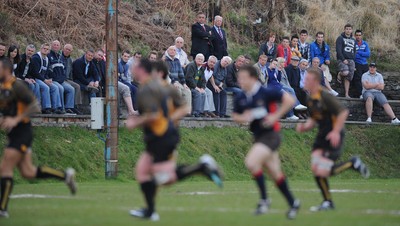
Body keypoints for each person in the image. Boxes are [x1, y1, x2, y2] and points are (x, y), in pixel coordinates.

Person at [127, 59, 222, 221]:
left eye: (134, 67)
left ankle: (201, 167)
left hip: (162, 135)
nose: (131, 70)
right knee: (143, 171)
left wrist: (137, 122)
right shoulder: (154, 87)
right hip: (159, 135)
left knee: (164, 178)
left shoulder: (152, 88)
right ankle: (150, 211)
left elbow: (160, 113)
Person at [0, 58, 77, 218]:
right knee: (28, 172)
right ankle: (65, 176)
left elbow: (35, 106)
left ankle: (3, 209)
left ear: (6, 69)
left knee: (5, 167)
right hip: (14, 134)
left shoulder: (17, 85)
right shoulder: (3, 88)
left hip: (23, 132)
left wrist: (15, 119)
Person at [296, 67, 370, 212]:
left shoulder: (325, 96)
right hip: (322, 135)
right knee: (317, 169)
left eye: (307, 79)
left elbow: (343, 112)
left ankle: (351, 164)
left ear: (316, 81)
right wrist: (304, 127)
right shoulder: (310, 98)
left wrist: (336, 131)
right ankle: (328, 202)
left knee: (321, 170)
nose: (304, 81)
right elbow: (314, 119)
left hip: (334, 135)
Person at [232, 65, 300, 219]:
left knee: (251, 162)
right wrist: (245, 117)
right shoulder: (241, 97)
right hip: (257, 137)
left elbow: (290, 100)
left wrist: (275, 116)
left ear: (253, 78)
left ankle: (264, 200)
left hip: (271, 136)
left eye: (243, 78)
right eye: (239, 78)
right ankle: (293, 202)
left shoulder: (266, 92)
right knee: (275, 174)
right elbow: (236, 116)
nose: (240, 81)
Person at [94, 50, 137, 115]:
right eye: (125, 56)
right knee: (127, 88)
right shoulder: (117, 63)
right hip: (111, 81)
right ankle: (131, 110)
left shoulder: (126, 65)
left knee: (135, 89)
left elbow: (126, 76)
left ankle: (134, 109)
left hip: (118, 80)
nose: (100, 57)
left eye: (101, 56)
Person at [28, 43, 63, 114]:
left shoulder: (47, 59)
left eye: (47, 49)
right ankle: (46, 107)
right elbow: (35, 72)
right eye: (44, 48)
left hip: (43, 78)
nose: (45, 50)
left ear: (49, 51)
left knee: (55, 87)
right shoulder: (36, 57)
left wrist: (48, 79)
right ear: (41, 49)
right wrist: (44, 80)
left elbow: (46, 72)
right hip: (35, 78)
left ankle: (56, 107)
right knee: (45, 87)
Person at [48, 40, 76, 115]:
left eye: (57, 45)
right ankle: (61, 108)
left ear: (60, 47)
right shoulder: (48, 55)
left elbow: (63, 70)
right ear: (51, 45)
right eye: (54, 44)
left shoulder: (59, 57)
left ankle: (68, 108)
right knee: (60, 88)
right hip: (53, 80)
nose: (56, 46)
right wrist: (54, 78)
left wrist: (62, 78)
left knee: (71, 89)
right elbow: (49, 70)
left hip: (61, 80)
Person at [165, 46, 192, 114]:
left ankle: (186, 112)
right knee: (178, 90)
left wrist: (184, 83)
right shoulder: (165, 60)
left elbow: (181, 73)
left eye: (174, 50)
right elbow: (168, 73)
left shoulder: (177, 61)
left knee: (187, 91)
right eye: (171, 50)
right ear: (168, 51)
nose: (172, 51)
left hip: (178, 82)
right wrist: (174, 82)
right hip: (169, 82)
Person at [336, 24, 357, 98]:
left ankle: (346, 94)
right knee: (345, 72)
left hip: (351, 60)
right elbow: (338, 50)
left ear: (351, 30)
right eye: (347, 29)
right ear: (344, 30)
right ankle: (339, 74)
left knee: (348, 78)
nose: (348, 30)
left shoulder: (353, 40)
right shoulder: (340, 38)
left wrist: (353, 59)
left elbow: (354, 50)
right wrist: (343, 59)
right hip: (342, 59)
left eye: (349, 29)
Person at [61, 44, 83, 114]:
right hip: (61, 79)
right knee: (71, 88)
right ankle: (69, 107)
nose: (67, 51)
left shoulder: (70, 60)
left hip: (68, 79)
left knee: (77, 86)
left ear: (71, 52)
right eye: (66, 49)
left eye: (69, 50)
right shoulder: (59, 57)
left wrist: (71, 80)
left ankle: (76, 105)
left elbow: (71, 71)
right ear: (63, 49)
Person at [354, 30, 371, 98]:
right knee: (358, 79)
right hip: (357, 63)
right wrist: (362, 54)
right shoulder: (353, 43)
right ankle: (360, 94)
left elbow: (368, 54)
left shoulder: (365, 43)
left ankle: (368, 93)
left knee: (367, 78)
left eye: (359, 35)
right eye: (357, 35)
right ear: (355, 36)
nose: (358, 37)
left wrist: (359, 52)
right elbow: (354, 55)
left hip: (365, 63)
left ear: (361, 36)